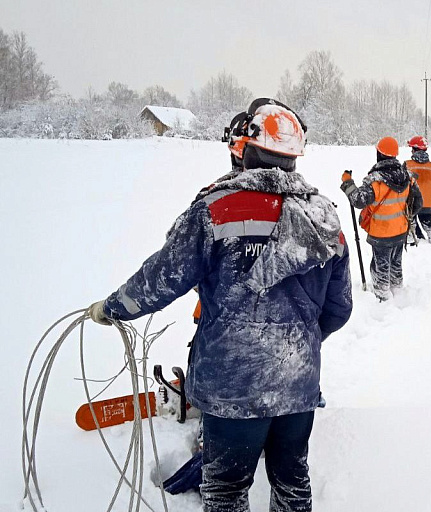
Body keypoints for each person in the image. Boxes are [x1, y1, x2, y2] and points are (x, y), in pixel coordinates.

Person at [87, 98, 353, 512]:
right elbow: (339, 309)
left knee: (226, 490)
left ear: (247, 148)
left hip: (232, 386)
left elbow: (162, 278)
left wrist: (113, 308)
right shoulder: (325, 218)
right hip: (297, 383)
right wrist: (297, 341)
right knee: (292, 482)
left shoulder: (215, 209)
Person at [340, 136, 422, 302]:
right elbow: (418, 203)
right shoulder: (407, 177)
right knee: (396, 263)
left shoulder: (375, 181)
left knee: (381, 266)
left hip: (381, 233)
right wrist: (404, 217)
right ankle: (398, 290)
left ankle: (383, 298)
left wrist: (348, 183)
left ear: (379, 154)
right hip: (400, 231)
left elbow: (358, 200)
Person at [403, 135, 431, 244]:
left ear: (414, 149)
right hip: (427, 203)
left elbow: (403, 184)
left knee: (411, 224)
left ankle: (413, 241)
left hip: (411, 202)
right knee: (428, 223)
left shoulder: (407, 165)